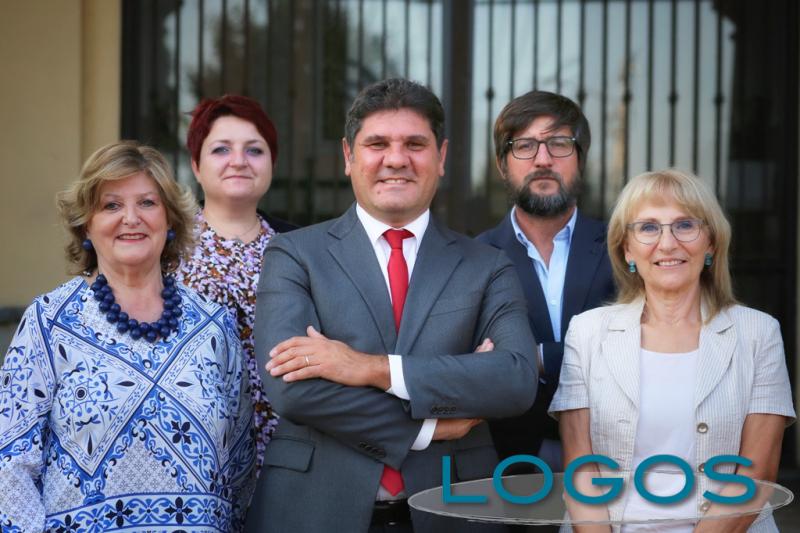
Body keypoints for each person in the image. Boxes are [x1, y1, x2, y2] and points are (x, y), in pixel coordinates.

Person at [245, 78, 538, 533]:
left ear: (441, 157)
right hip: (315, 510)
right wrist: (428, 427)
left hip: (455, 511)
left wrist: (371, 368)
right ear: (348, 156)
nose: (396, 159)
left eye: (414, 144)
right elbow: (292, 388)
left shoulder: (487, 266)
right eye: (377, 144)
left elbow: (514, 380)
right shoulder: (295, 254)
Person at [0, 141, 255, 532]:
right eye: (111, 205)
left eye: (147, 203)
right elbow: (9, 463)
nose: (131, 218)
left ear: (170, 220)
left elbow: (241, 465)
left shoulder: (215, 326)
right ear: (86, 224)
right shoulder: (49, 322)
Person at [549, 169, 795, 532]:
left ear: (711, 244)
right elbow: (581, 469)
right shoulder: (586, 332)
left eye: (685, 225)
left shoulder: (759, 333)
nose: (667, 243)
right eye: (648, 227)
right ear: (627, 249)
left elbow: (756, 474)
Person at [477, 90, 614, 472]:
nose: (542, 159)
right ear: (502, 165)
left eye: (559, 143)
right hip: (507, 462)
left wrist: (535, 357)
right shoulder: (473, 259)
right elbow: (473, 363)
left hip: (615, 456)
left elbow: (644, 346)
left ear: (580, 159)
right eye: (524, 146)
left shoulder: (624, 248)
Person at [177, 94, 297, 470]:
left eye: (254, 150)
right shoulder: (163, 248)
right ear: (196, 165)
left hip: (288, 453)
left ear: (272, 163)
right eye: (221, 149)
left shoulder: (303, 248)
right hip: (191, 448)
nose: (239, 161)